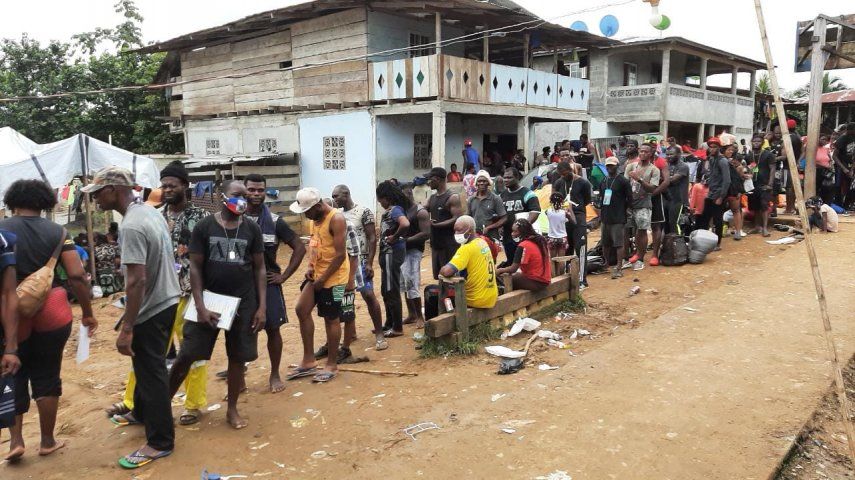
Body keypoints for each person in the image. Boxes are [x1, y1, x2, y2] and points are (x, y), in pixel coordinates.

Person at [84, 167, 178, 468]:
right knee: (145, 365)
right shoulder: (148, 213)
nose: (95, 199)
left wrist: (127, 327)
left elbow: (136, 280)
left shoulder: (131, 227)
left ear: (114, 190)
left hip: (152, 306)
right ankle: (140, 412)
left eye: (98, 193)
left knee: (151, 373)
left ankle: (160, 441)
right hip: (166, 299)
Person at [107, 161, 210, 428]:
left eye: (172, 185)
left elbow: (205, 258)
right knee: (146, 354)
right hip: (159, 294)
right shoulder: (155, 214)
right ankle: (133, 403)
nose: (167, 190)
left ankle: (193, 404)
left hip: (189, 292)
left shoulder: (200, 217)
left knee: (192, 352)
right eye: (163, 186)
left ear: (185, 186)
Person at [1, 179, 97, 462]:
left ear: (12, 202)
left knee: (11, 370)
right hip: (51, 308)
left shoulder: (2, 231)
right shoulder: (58, 232)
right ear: (45, 202)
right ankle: (47, 440)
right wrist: (88, 312)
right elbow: (77, 275)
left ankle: (15, 442)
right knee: (47, 373)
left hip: (10, 312)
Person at [171, 180, 266, 429]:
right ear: (221, 196)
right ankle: (161, 406)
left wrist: (261, 306)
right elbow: (195, 267)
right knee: (187, 354)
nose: (243, 200)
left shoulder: (251, 229)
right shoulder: (204, 227)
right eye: (237, 195)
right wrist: (200, 305)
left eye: (245, 196)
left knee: (237, 357)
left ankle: (232, 409)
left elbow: (259, 268)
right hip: (209, 301)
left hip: (242, 303)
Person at [244, 174, 306, 394]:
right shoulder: (235, 217)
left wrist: (284, 276)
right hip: (241, 286)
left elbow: (299, 247)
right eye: (251, 190)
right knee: (242, 332)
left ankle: (274, 373)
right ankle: (239, 378)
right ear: (245, 190)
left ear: (265, 192)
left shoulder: (274, 221)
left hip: (268, 284)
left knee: (272, 329)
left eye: (260, 190)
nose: (255, 194)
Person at [291, 187, 349, 384]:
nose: (305, 215)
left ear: (317, 206)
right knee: (301, 309)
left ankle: (332, 364)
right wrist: (310, 266)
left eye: (307, 211)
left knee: (331, 318)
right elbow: (315, 246)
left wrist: (323, 279)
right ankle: (309, 361)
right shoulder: (313, 221)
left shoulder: (336, 219)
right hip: (317, 275)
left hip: (335, 278)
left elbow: (340, 255)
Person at [331, 185, 387, 350]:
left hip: (361, 260)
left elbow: (372, 238)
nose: (334, 200)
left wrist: (369, 262)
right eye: (333, 197)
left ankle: (379, 334)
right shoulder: (336, 215)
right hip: (343, 262)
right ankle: (352, 333)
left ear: (346, 194)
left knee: (368, 295)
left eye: (336, 196)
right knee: (345, 298)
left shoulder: (364, 211)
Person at [375, 181, 411, 337]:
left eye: (380, 200)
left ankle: (397, 327)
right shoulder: (391, 210)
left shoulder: (395, 210)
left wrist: (394, 237)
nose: (380, 203)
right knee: (385, 290)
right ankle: (389, 323)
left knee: (392, 289)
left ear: (386, 198)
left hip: (392, 254)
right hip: (387, 255)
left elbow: (405, 223)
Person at [439, 216, 498, 309]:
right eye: (455, 231)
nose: (456, 234)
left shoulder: (466, 248)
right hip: (490, 298)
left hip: (475, 300)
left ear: (470, 230)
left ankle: (439, 320)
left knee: (432, 291)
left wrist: (442, 269)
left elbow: (447, 271)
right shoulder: (482, 242)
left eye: (459, 230)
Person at [553, 162, 592, 283]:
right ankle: (569, 278)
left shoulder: (583, 182)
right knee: (567, 248)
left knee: (580, 247)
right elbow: (554, 197)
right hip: (563, 218)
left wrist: (576, 209)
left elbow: (587, 199)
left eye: (566, 173)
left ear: (571, 170)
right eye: (562, 175)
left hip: (578, 217)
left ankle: (582, 280)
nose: (564, 176)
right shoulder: (559, 182)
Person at [623, 144, 661, 270]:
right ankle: (627, 257)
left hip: (644, 204)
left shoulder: (654, 170)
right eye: (641, 151)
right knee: (627, 230)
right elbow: (625, 185)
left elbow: (652, 188)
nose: (642, 153)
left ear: (651, 154)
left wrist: (639, 179)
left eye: (646, 152)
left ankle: (640, 258)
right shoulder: (630, 166)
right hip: (629, 204)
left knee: (642, 230)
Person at [596, 157, 632, 278]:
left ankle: (619, 267)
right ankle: (606, 264)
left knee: (618, 243)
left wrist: (624, 210)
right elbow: (601, 198)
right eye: (608, 166)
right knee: (605, 243)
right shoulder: (604, 180)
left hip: (618, 217)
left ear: (617, 166)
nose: (609, 167)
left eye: (612, 165)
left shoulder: (623, 181)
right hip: (605, 217)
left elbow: (629, 199)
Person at [401, 183, 431, 329]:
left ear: (411, 193)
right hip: (402, 251)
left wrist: (407, 240)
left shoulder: (420, 211)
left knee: (412, 282)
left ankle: (420, 316)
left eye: (407, 193)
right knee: (404, 283)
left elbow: (426, 234)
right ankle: (412, 314)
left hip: (413, 251)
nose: (405, 196)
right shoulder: (401, 210)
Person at [425, 167, 463, 279]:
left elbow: (457, 218)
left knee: (451, 277)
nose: (428, 182)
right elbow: (422, 210)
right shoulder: (432, 197)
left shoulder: (452, 197)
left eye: (430, 179)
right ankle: (443, 297)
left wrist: (437, 225)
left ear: (437, 179)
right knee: (439, 277)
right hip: (436, 243)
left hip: (449, 244)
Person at [500, 167, 541, 267]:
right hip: (508, 236)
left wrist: (523, 227)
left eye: (509, 177)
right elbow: (500, 213)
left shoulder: (527, 193)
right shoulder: (502, 195)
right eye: (504, 178)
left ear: (517, 177)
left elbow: (535, 211)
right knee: (511, 261)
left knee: (525, 262)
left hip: (524, 236)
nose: (506, 180)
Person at [695, 137, 731, 248]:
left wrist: (721, 196)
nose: (712, 149)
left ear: (719, 148)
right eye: (710, 147)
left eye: (715, 147)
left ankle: (718, 243)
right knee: (705, 217)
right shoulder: (711, 159)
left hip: (718, 194)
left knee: (717, 220)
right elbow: (712, 175)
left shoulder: (723, 161)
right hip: (710, 193)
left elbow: (727, 180)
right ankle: (704, 240)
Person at [496, 218, 551, 291]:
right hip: (545, 279)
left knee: (506, 279)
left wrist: (499, 270)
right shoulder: (541, 240)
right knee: (517, 275)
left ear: (523, 232)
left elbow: (513, 269)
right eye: (512, 231)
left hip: (536, 281)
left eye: (515, 232)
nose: (512, 234)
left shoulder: (523, 245)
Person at [747, 134, 776, 237]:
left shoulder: (768, 155)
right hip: (752, 184)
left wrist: (770, 184)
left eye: (758, 141)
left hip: (764, 184)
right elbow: (748, 168)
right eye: (754, 141)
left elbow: (772, 169)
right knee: (755, 206)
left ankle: (765, 228)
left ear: (763, 143)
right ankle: (756, 226)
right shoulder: (749, 155)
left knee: (764, 206)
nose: (756, 143)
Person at [467, 170, 507, 243]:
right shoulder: (471, 199)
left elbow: (504, 218)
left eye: (484, 181)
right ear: (476, 183)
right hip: (476, 237)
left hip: (492, 237)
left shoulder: (495, 199)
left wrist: (489, 227)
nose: (481, 183)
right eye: (479, 181)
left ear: (488, 182)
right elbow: (468, 217)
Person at [648, 147, 671, 266]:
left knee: (656, 225)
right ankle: (639, 253)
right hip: (641, 198)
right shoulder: (637, 163)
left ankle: (654, 254)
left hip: (656, 197)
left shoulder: (661, 162)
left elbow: (666, 181)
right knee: (639, 227)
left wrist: (654, 193)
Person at [724, 144, 750, 240]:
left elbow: (737, 179)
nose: (730, 151)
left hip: (733, 190)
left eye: (731, 150)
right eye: (728, 150)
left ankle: (738, 231)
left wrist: (739, 191)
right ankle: (733, 230)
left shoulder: (736, 166)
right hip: (726, 189)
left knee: (736, 210)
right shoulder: (723, 161)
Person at [664, 146, 690, 235]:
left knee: (674, 223)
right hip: (667, 198)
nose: (669, 156)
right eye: (667, 154)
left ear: (679, 154)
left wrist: (661, 178)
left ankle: (677, 245)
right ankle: (668, 245)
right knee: (665, 223)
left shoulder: (683, 166)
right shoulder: (666, 165)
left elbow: (672, 180)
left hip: (678, 199)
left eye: (671, 154)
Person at [545, 192, 573, 261]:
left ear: (551, 201)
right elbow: (573, 222)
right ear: (562, 201)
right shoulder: (564, 213)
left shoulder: (547, 212)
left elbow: (550, 210)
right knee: (561, 260)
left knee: (553, 260)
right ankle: (561, 272)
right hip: (562, 237)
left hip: (552, 238)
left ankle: (554, 272)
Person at [833, 123, 855, 209]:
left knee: (851, 186)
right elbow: (834, 156)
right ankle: (838, 205)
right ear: (850, 130)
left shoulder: (853, 138)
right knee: (838, 186)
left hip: (850, 165)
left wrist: (852, 168)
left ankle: (847, 205)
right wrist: (844, 168)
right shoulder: (842, 139)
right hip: (840, 165)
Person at [815, 135, 835, 205]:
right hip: (817, 171)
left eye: (825, 140)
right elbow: (813, 162)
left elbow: (830, 160)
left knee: (826, 188)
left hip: (826, 172)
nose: (823, 141)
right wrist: (824, 166)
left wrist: (830, 166)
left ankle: (825, 203)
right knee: (817, 188)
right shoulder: (814, 149)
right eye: (822, 139)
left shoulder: (826, 149)